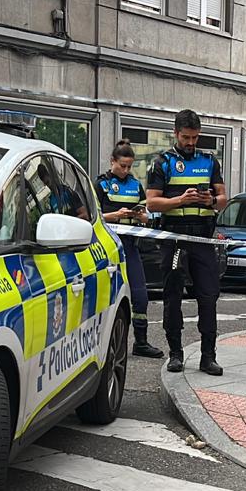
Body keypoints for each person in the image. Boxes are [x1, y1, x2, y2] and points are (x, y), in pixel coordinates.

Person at [146, 110, 227, 376]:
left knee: (209, 296)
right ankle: (176, 354)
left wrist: (210, 201)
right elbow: (152, 202)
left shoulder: (209, 160)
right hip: (175, 239)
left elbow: (224, 198)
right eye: (185, 137)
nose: (190, 142)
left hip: (203, 238)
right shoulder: (163, 162)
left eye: (194, 137)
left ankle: (208, 357)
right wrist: (181, 200)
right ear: (176, 133)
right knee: (172, 296)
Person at [97, 140, 164, 359]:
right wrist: (115, 216)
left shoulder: (135, 185)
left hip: (130, 247)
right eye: (122, 165)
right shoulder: (101, 184)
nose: (126, 170)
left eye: (129, 166)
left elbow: (147, 213)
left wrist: (141, 216)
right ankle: (103, 343)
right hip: (107, 247)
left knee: (140, 295)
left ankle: (141, 342)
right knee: (108, 298)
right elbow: (92, 216)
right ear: (112, 161)